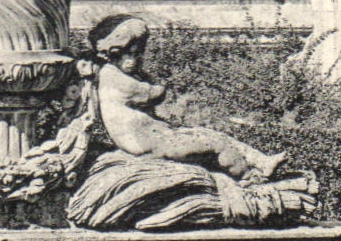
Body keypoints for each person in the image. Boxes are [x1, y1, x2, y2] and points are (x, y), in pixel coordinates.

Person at [88, 14, 285, 181]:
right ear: (114, 51)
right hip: (149, 144)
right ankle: (249, 178)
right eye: (128, 53)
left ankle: (261, 162)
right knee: (216, 145)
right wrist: (158, 83)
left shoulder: (116, 74)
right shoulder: (111, 76)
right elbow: (153, 93)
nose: (135, 60)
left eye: (138, 54)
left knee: (213, 135)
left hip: (158, 138)